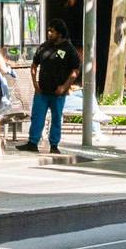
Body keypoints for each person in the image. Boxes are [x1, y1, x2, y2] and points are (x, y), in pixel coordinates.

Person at [28, 26, 79, 154]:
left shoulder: (69, 49)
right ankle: (32, 142)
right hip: (42, 91)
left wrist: (64, 86)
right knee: (37, 116)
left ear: (60, 33)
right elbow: (34, 65)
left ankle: (54, 145)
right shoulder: (44, 46)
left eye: (52, 31)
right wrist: (35, 84)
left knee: (56, 118)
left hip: (58, 92)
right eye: (48, 30)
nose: (49, 33)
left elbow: (75, 71)